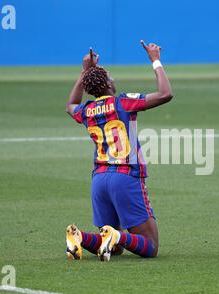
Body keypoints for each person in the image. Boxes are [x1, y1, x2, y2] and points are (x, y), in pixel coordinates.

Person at [65, 41, 173, 261]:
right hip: (125, 177)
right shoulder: (122, 102)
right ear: (107, 84)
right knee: (150, 246)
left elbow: (70, 105)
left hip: (100, 180)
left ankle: (80, 237)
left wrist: (84, 72)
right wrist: (155, 60)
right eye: (110, 77)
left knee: (113, 248)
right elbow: (165, 94)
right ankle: (116, 235)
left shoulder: (87, 110)